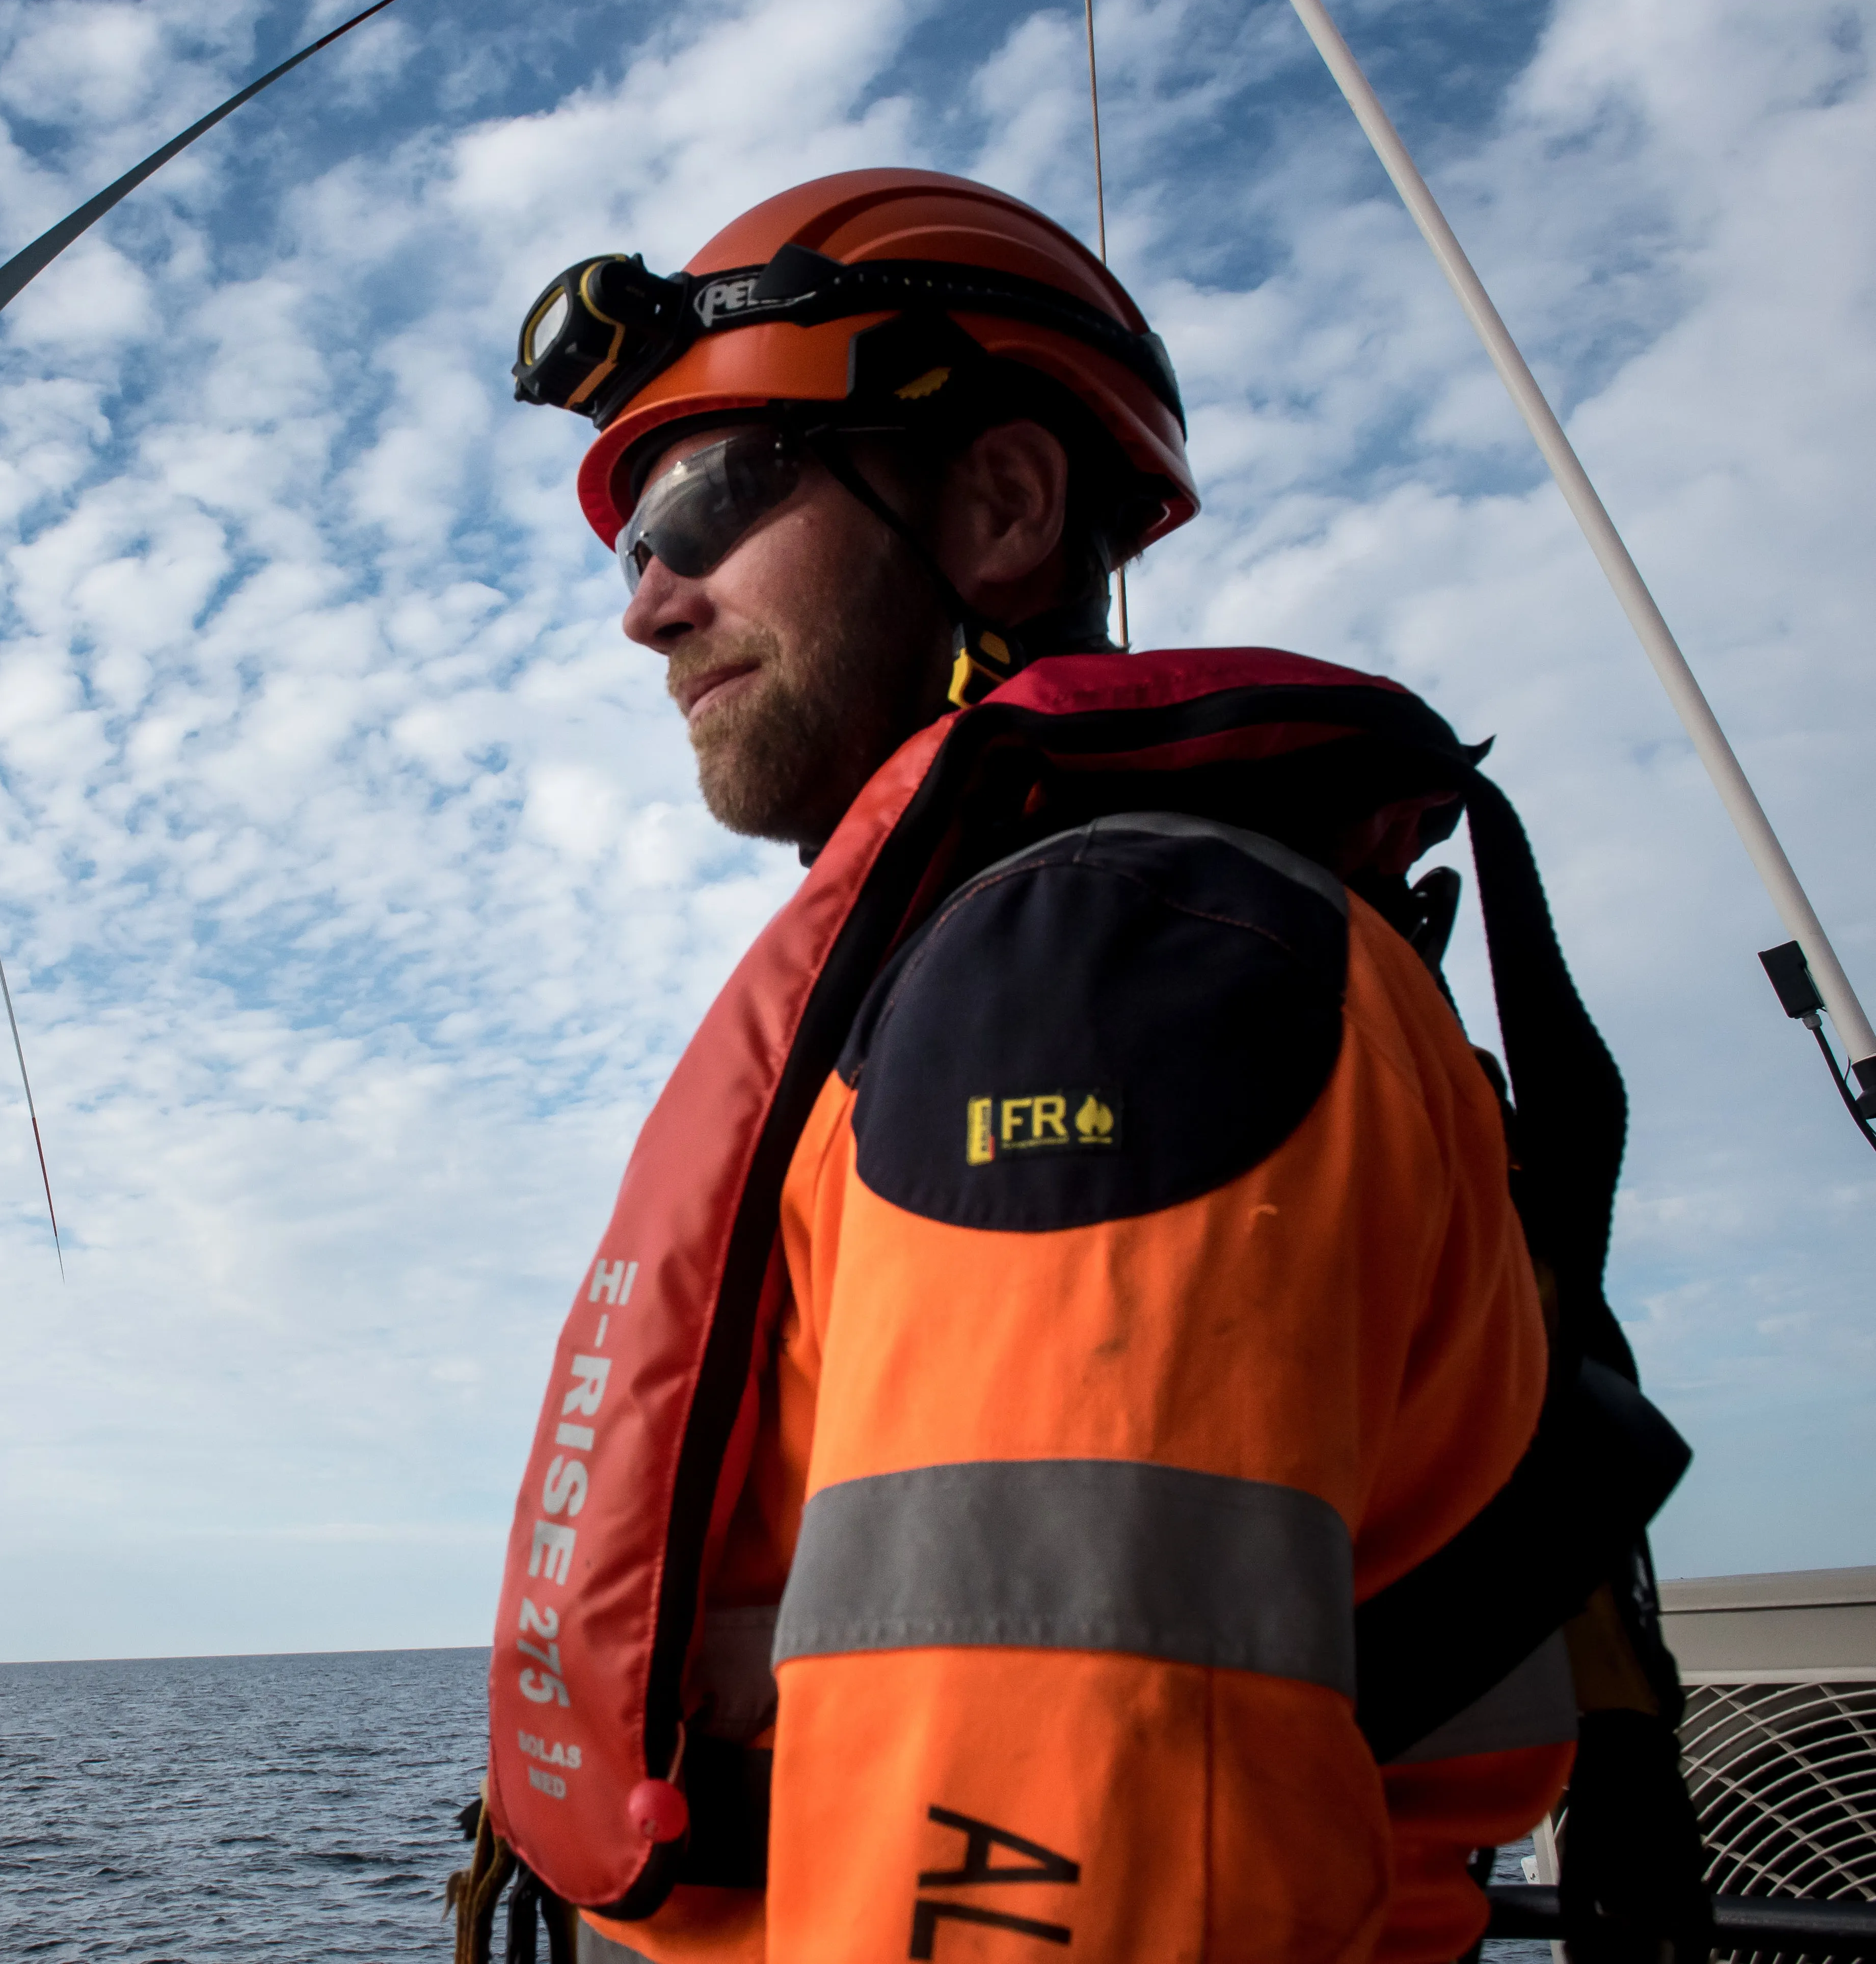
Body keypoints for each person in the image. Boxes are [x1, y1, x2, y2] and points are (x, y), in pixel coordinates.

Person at [461, 170, 1705, 1964]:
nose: (648, 603)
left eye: (706, 497)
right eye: (634, 540)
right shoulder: (1077, 960)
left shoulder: (1105, 980)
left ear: (1004, 501)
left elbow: (1062, 1847)